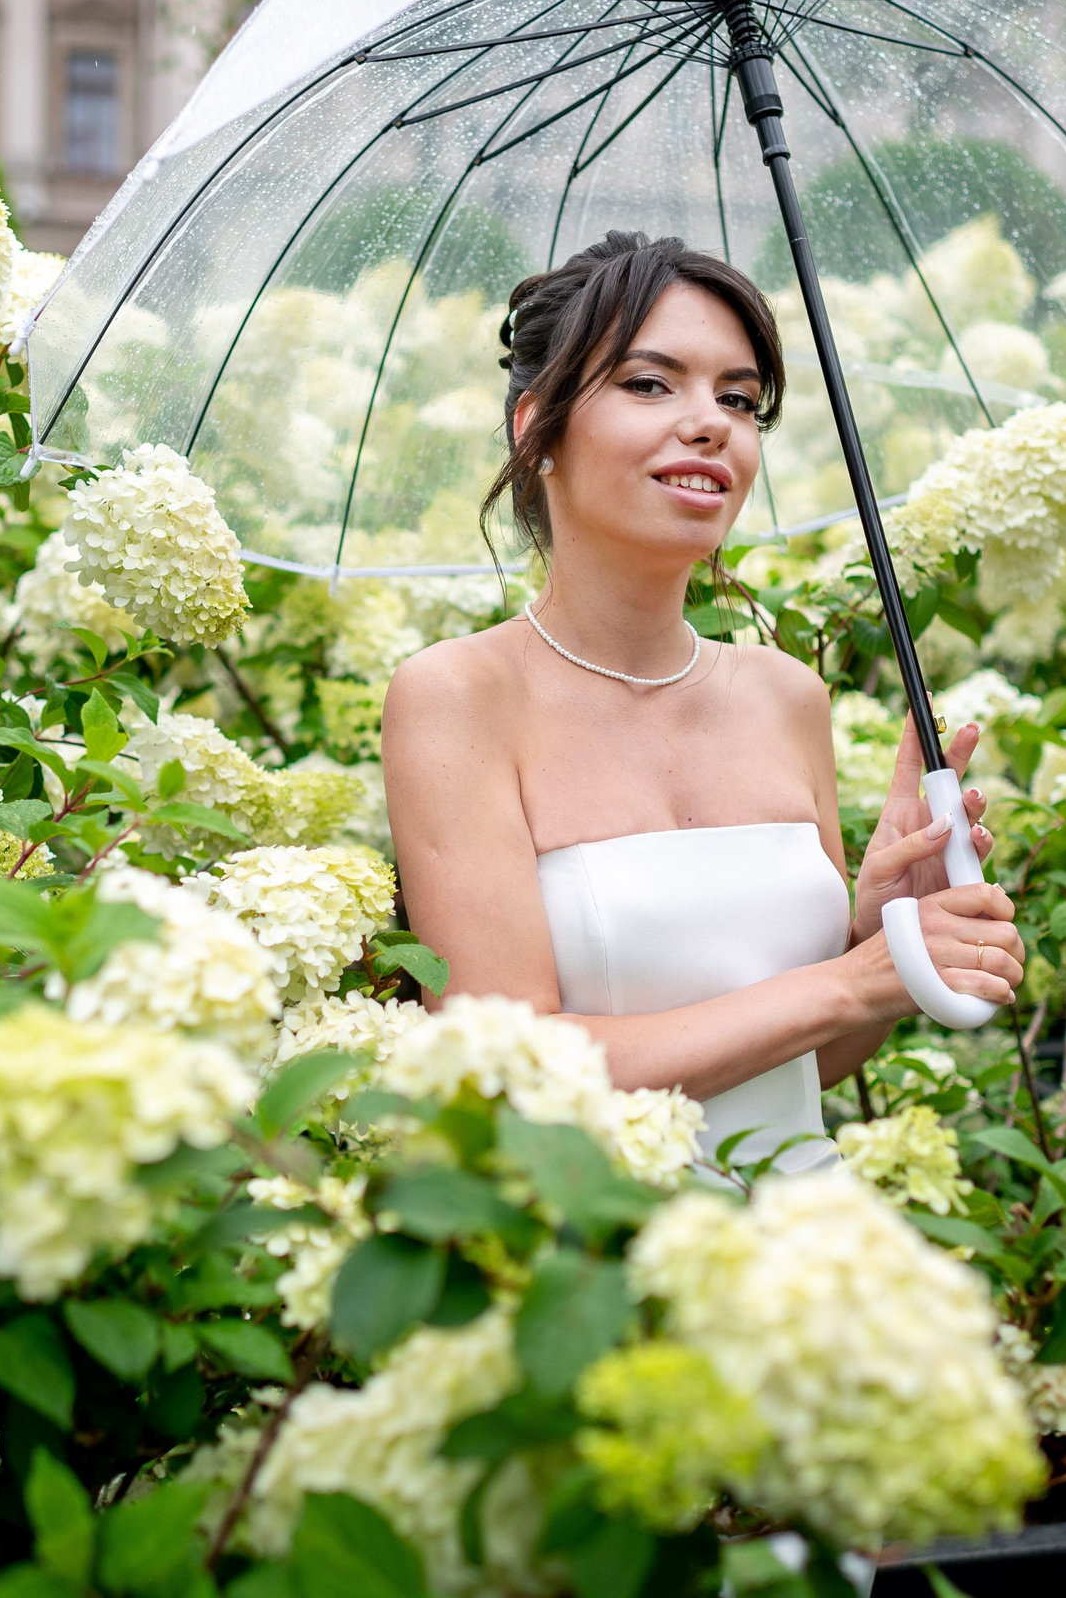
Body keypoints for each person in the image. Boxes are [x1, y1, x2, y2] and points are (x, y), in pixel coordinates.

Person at [382, 231, 1025, 1175]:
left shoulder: (786, 695)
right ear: (535, 429)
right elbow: (509, 1076)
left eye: (738, 398)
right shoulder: (458, 698)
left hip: (808, 1253)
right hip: (588, 1266)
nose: (710, 423)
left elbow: (816, 1066)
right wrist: (852, 980)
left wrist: (886, 930)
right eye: (651, 383)